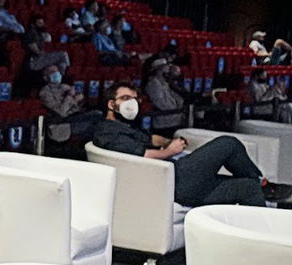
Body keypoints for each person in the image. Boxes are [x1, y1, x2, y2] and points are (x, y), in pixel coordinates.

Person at [94, 82, 266, 207]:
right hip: (172, 181)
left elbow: (149, 139)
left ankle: (262, 238)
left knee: (249, 188)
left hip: (179, 183)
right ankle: (261, 181)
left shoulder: (125, 126)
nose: (132, 103)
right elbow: (143, 156)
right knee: (228, 144)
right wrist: (169, 150)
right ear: (111, 104)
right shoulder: (107, 131)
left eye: (134, 99)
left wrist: (166, 141)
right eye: (125, 98)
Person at [39, 65, 99, 143]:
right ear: (45, 77)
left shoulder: (65, 87)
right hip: (61, 123)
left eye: (57, 71)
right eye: (52, 72)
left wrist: (79, 100)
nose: (57, 73)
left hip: (74, 116)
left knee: (98, 114)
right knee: (94, 126)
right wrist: (70, 96)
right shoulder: (45, 92)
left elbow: (75, 106)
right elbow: (61, 112)